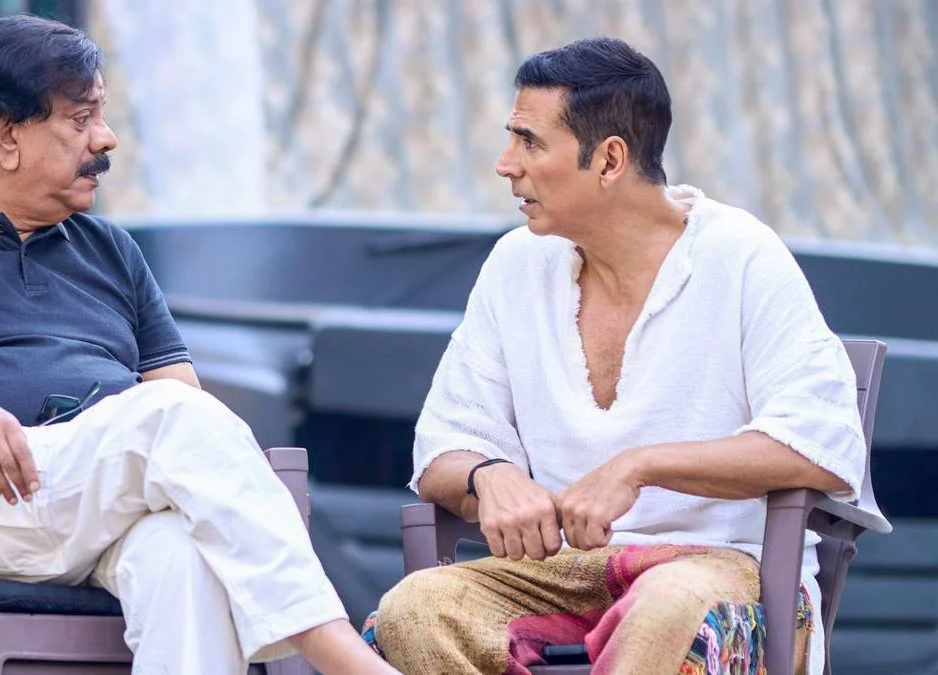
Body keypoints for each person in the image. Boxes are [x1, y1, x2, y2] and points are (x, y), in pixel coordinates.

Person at [0, 14, 397, 675]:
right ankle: (344, 658)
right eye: (82, 117)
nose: (107, 137)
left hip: (104, 498)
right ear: (6, 135)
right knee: (171, 417)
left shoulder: (111, 249)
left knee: (182, 554)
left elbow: (188, 416)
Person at [366, 37, 872, 675]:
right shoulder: (515, 263)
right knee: (414, 610)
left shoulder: (741, 255)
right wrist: (488, 474)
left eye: (529, 142)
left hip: (720, 568)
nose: (505, 164)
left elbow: (819, 445)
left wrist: (639, 466)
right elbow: (443, 446)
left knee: (666, 608)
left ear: (609, 160)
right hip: (559, 571)